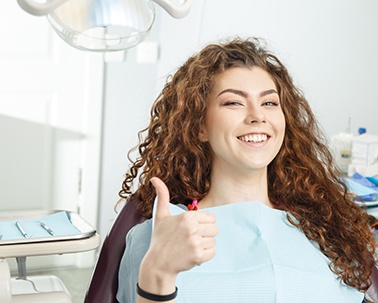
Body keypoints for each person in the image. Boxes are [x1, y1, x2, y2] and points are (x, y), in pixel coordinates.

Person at [116, 37, 376, 303]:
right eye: (233, 103)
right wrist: (158, 273)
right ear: (199, 127)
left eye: (269, 103)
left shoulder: (327, 230)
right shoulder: (160, 234)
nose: (257, 116)